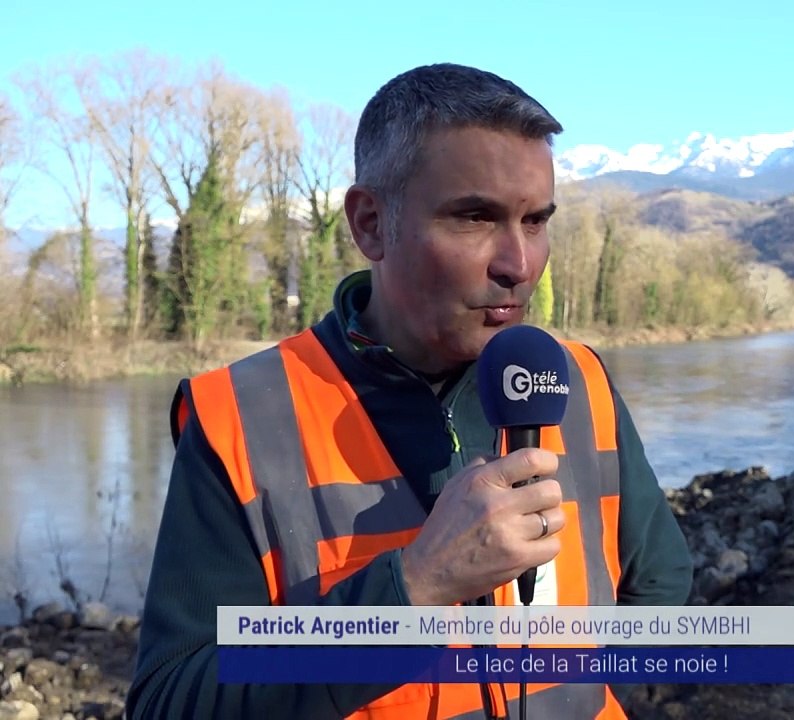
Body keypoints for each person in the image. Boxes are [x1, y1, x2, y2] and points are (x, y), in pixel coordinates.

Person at [126, 63, 693, 719]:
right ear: (371, 223)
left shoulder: (580, 380)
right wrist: (416, 588)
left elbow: (660, 585)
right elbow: (170, 701)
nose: (518, 264)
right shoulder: (240, 416)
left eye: (536, 221)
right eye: (475, 217)